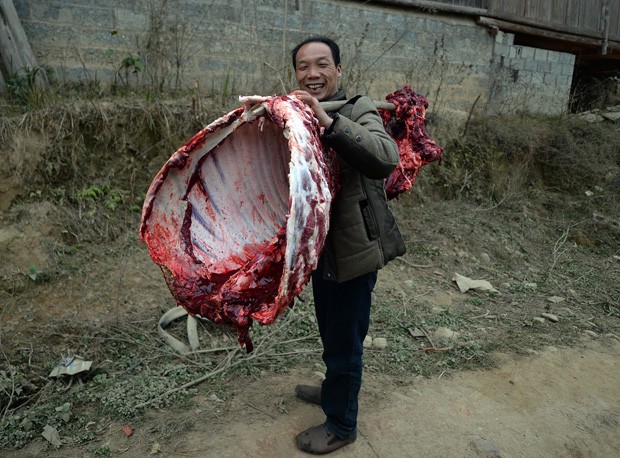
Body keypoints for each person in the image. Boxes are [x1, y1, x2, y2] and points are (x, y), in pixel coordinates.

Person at [289, 36, 406, 454]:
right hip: (319, 250)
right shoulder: (295, 114)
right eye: (304, 66)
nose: (313, 73)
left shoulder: (358, 109)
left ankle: (341, 423)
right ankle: (332, 390)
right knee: (331, 329)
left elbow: (384, 155)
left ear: (339, 70)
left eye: (322, 64)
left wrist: (328, 121)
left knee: (346, 340)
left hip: (354, 249)